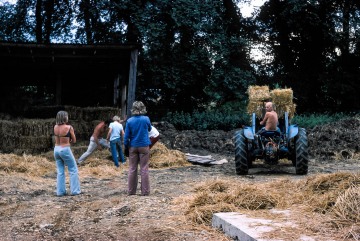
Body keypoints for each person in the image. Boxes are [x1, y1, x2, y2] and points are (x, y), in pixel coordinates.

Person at [124, 101, 152, 196]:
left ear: (133, 109)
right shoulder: (146, 119)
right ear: (143, 108)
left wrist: (126, 147)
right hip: (144, 145)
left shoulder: (129, 121)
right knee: (144, 168)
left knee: (132, 168)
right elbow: (149, 129)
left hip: (133, 146)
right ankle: (145, 192)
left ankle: (131, 191)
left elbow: (126, 136)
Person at [53, 111, 81, 196]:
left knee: (60, 171)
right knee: (73, 169)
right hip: (65, 149)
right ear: (65, 117)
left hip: (56, 149)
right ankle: (75, 191)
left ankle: (60, 192)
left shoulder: (55, 127)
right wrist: (69, 140)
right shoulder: (69, 127)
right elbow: (74, 140)